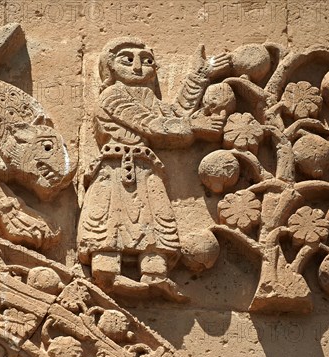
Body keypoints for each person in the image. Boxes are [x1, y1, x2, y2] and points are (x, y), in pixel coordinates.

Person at [78, 37, 230, 301]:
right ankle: (105, 271)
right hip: (115, 166)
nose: (138, 67)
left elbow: (175, 113)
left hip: (146, 168)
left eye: (146, 61)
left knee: (155, 220)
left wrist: (199, 76)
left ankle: (155, 275)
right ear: (110, 66)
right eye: (127, 60)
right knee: (108, 221)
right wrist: (194, 127)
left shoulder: (146, 96)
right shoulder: (112, 97)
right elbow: (151, 125)